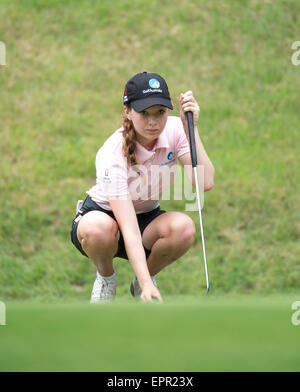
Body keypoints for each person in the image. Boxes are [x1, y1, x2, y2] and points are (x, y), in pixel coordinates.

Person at [70, 72, 215, 303]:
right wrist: (149, 284)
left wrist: (192, 130)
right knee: (99, 229)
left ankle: (141, 283)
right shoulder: (113, 152)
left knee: (184, 228)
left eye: (160, 113)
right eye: (144, 113)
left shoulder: (177, 130)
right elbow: (128, 228)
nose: (153, 122)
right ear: (127, 111)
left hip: (146, 217)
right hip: (102, 217)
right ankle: (106, 278)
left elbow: (204, 183)